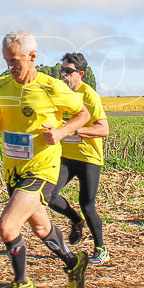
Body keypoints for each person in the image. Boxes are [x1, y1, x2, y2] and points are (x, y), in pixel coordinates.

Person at [0, 30, 91, 288]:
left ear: (33, 57)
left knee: (7, 226)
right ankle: (73, 262)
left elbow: (84, 114)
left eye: (15, 61)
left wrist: (62, 131)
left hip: (42, 169)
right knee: (40, 227)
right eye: (6, 61)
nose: (11, 67)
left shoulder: (52, 87)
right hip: (14, 171)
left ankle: (22, 283)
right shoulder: (1, 86)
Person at [47, 52, 112, 265]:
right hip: (66, 156)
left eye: (68, 71)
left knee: (87, 205)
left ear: (80, 74)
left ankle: (101, 248)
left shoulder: (89, 95)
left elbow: (104, 129)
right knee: (48, 195)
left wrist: (71, 131)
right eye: (62, 70)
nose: (63, 74)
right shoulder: (60, 94)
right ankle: (75, 221)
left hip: (88, 158)